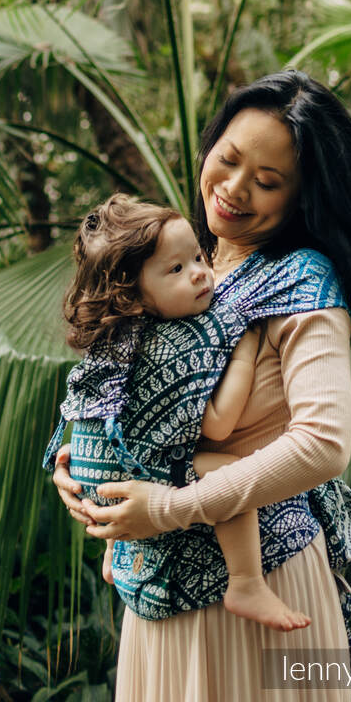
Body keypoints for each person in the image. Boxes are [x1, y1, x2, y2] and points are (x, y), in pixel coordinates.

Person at [52, 70, 351, 702]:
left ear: (301, 196)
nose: (233, 189)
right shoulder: (192, 266)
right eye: (228, 160)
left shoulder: (299, 281)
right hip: (158, 582)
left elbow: (322, 445)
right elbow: (124, 392)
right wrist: (81, 476)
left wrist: (173, 506)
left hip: (259, 580)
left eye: (267, 182)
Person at [47, 193, 312, 631]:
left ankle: (115, 556)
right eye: (176, 269)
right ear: (134, 296)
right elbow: (218, 422)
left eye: (196, 257)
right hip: (122, 482)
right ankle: (245, 582)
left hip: (94, 476)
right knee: (231, 473)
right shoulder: (172, 342)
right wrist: (245, 351)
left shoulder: (117, 341)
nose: (199, 274)